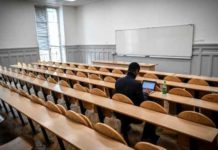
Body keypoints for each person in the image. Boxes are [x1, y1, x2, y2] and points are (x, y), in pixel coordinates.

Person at [115, 62, 158, 144]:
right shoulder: (137, 84)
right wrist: (146, 94)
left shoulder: (118, 81)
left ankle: (125, 127)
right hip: (133, 115)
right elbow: (142, 102)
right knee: (153, 110)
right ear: (136, 71)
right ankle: (146, 137)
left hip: (119, 112)